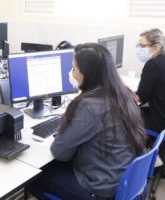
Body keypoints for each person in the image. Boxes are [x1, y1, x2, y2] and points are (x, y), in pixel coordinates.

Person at [28, 43, 146, 199]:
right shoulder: (124, 94)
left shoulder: (88, 105)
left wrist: (64, 129)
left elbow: (60, 153)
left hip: (99, 189)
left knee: (32, 175)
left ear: (88, 74)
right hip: (121, 179)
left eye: (74, 69)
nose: (71, 72)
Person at [135, 28, 165, 139]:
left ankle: (144, 150)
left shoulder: (153, 65)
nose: (139, 49)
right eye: (138, 46)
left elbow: (140, 98)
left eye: (142, 46)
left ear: (157, 46)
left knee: (123, 116)